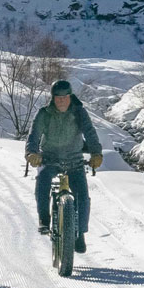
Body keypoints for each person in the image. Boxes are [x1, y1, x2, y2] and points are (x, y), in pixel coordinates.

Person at [25, 79, 102, 253]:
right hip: (49, 159)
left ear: (70, 97)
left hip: (75, 160)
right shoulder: (44, 113)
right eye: (58, 97)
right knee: (42, 181)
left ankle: (80, 233)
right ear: (52, 98)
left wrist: (96, 153)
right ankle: (44, 220)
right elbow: (34, 136)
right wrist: (32, 154)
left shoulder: (79, 112)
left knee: (82, 196)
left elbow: (90, 133)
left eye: (65, 97)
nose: (61, 100)